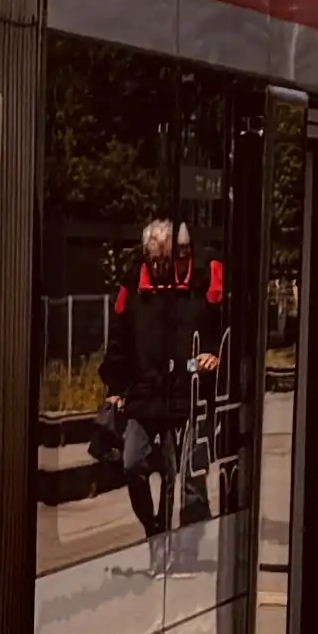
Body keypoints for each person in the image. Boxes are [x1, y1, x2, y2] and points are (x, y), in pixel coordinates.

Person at [103, 217, 222, 560]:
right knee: (132, 463)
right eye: (153, 260)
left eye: (164, 261)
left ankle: (176, 545)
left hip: (180, 395)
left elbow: (209, 330)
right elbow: (119, 343)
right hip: (143, 395)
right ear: (145, 256)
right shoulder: (132, 288)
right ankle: (153, 527)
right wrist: (115, 387)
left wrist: (210, 357)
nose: (158, 267)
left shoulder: (189, 288)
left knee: (177, 473)